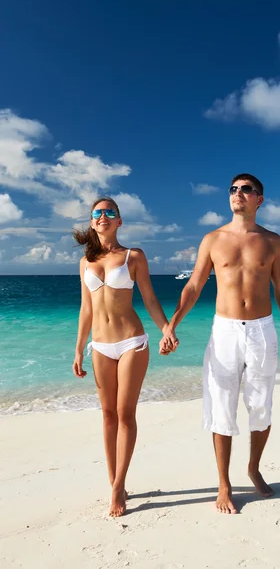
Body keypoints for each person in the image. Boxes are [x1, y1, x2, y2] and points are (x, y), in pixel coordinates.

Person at [159, 173, 280, 514]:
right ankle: (224, 483)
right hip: (224, 331)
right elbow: (193, 286)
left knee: (261, 406)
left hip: (262, 330)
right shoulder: (213, 239)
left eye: (246, 189)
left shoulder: (272, 241)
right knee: (221, 406)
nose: (238, 194)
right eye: (234, 189)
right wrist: (171, 325)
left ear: (259, 200)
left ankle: (252, 468)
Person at [72, 196, 177, 517]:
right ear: (92, 222)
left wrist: (166, 329)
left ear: (119, 221)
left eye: (110, 212)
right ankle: (113, 480)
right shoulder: (85, 262)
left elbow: (149, 297)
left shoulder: (134, 256)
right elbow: (86, 309)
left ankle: (119, 487)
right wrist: (78, 348)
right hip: (100, 346)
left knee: (124, 412)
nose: (103, 216)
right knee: (107, 415)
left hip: (132, 341)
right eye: (97, 213)